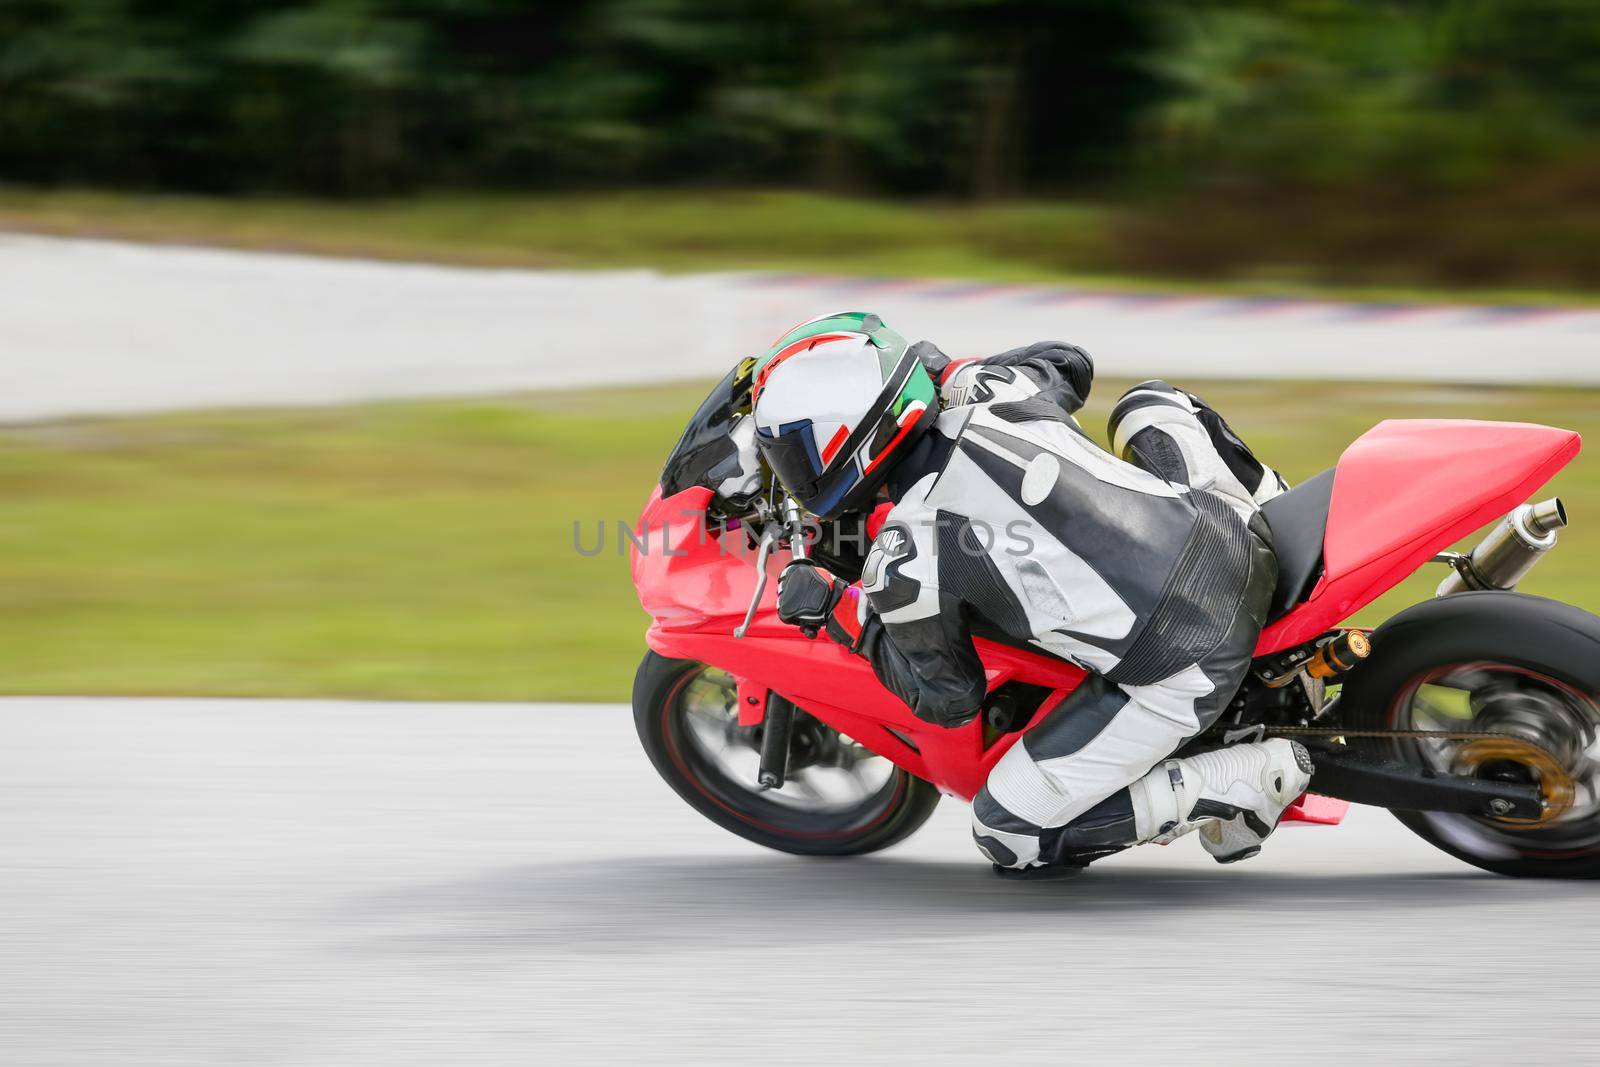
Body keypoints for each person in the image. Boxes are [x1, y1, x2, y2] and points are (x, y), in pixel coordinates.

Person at [740, 311, 1312, 876]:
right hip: (1235, 534)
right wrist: (950, 371)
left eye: (794, 455)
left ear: (849, 443)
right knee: (1150, 402)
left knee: (1007, 834)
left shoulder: (906, 554)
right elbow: (1071, 362)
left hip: (1185, 662)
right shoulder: (995, 388)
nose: (791, 469)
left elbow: (949, 699)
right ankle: (1294, 566)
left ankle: (1240, 782)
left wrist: (841, 612)